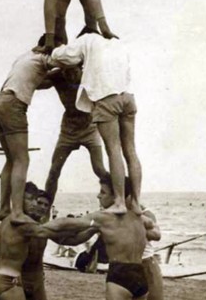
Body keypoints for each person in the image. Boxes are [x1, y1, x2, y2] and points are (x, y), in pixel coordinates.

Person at [51, 27, 142, 215]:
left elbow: (63, 56)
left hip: (106, 99)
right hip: (128, 97)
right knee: (131, 152)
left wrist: (51, 49)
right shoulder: (117, 43)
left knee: (113, 150)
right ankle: (135, 202)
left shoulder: (87, 40)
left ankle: (119, 202)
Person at [0, 46, 55, 222]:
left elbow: (40, 82)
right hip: (13, 105)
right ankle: (17, 211)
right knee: (22, 159)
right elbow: (66, 63)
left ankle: (4, 208)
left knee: (11, 159)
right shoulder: (43, 58)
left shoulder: (25, 58)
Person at [43, 64, 110, 204]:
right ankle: (45, 210)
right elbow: (37, 82)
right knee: (54, 171)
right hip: (68, 129)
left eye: (75, 72)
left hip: (89, 128)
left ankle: (122, 198)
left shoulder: (90, 76)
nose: (71, 76)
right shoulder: (58, 76)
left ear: (81, 68)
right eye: (68, 72)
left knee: (99, 168)